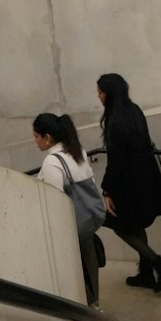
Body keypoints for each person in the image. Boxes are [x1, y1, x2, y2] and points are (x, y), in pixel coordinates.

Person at [97, 72, 161, 294]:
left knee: (118, 225)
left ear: (110, 94)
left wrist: (107, 190)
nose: (99, 96)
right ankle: (145, 273)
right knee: (136, 226)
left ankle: (160, 265)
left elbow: (116, 161)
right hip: (146, 179)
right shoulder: (134, 111)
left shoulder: (115, 121)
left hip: (128, 185)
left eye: (101, 92)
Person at [33, 111, 102, 307]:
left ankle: (89, 313)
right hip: (87, 219)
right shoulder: (78, 150)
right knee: (90, 267)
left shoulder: (52, 161)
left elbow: (56, 201)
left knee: (76, 271)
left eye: (37, 137)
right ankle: (95, 305)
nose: (35, 142)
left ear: (48, 137)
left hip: (71, 225)